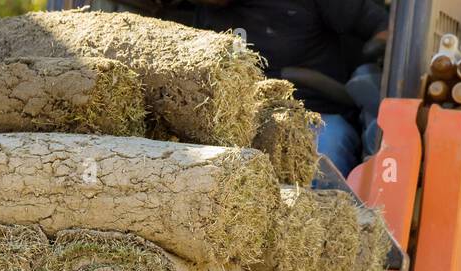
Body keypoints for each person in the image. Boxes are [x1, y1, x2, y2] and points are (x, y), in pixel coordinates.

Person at [129, 0, 389, 174]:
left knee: (326, 151)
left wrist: (375, 57)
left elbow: (382, 27)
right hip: (235, 124)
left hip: (315, 115)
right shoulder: (191, 14)